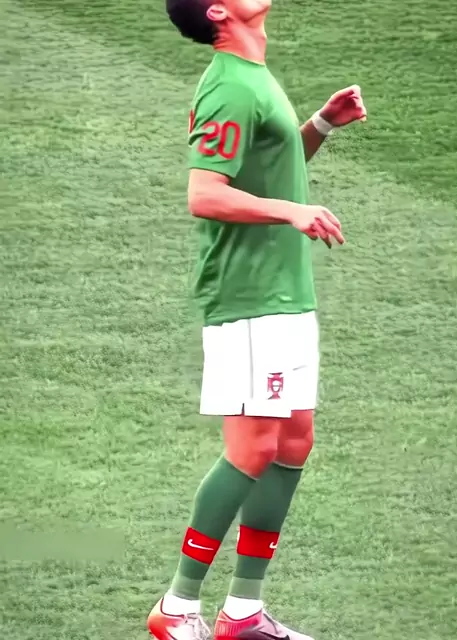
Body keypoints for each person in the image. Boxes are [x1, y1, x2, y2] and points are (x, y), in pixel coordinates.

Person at [148, 1, 367, 638]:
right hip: (248, 296)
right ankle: (177, 607)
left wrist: (319, 126)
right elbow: (205, 193)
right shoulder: (229, 85)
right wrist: (292, 213)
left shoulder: (253, 73)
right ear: (219, 12)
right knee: (253, 448)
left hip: (285, 291)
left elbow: (269, 171)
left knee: (293, 441)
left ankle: (243, 612)